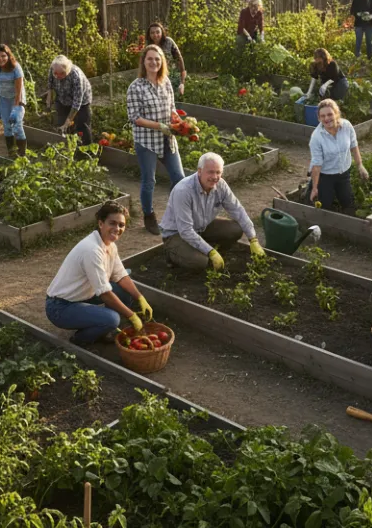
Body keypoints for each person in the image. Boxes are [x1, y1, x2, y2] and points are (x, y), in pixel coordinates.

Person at [45, 201, 153, 345]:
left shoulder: (110, 245)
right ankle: (79, 341)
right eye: (112, 223)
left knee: (123, 290)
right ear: (101, 223)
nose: (117, 228)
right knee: (113, 319)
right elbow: (104, 293)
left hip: (81, 296)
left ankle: (102, 327)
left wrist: (140, 297)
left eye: (121, 225)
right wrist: (132, 316)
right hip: (60, 307)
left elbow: (120, 275)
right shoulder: (92, 250)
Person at [159, 153, 266, 270]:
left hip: (201, 227)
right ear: (200, 171)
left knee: (235, 229)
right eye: (210, 172)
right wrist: (210, 252)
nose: (215, 177)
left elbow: (237, 210)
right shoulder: (183, 191)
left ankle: (204, 248)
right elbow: (185, 230)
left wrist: (253, 239)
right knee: (200, 262)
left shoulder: (221, 185)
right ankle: (171, 253)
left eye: (218, 172)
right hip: (177, 233)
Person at [127, 44, 185, 236]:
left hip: (168, 139)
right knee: (149, 180)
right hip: (147, 141)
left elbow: (172, 107)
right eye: (150, 59)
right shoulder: (136, 87)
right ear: (144, 62)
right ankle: (149, 215)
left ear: (162, 62)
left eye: (157, 59)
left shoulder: (166, 81)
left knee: (179, 178)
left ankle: (177, 213)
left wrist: (177, 119)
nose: (154, 62)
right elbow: (135, 117)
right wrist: (159, 126)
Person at [308, 99, 369, 215]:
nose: (327, 118)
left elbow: (354, 145)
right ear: (319, 118)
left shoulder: (346, 126)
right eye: (323, 116)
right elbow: (316, 164)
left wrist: (360, 166)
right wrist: (315, 188)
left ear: (336, 113)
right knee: (325, 205)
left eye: (330, 114)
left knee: (348, 202)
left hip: (344, 173)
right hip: (325, 175)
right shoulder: (316, 137)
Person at [0, 44, 27, 158]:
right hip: (3, 98)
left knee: (17, 125)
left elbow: (18, 90)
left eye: (3, 56)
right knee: (7, 126)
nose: (1, 59)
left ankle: (22, 155)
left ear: (8, 55)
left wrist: (16, 108)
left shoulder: (15, 68)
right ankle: (11, 154)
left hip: (17, 98)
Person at [46, 55, 93, 145]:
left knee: (82, 125)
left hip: (81, 103)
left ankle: (87, 151)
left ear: (68, 70)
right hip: (62, 99)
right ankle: (67, 148)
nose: (58, 76)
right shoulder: (53, 69)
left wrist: (67, 123)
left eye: (62, 73)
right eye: (56, 73)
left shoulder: (76, 76)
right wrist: (48, 105)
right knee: (61, 124)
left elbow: (76, 104)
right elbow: (50, 87)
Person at [147, 22, 187, 96]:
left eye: (157, 32)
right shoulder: (148, 45)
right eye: (152, 33)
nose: (155, 35)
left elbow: (179, 59)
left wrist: (182, 82)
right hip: (155, 78)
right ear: (149, 35)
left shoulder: (168, 41)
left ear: (162, 32)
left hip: (170, 76)